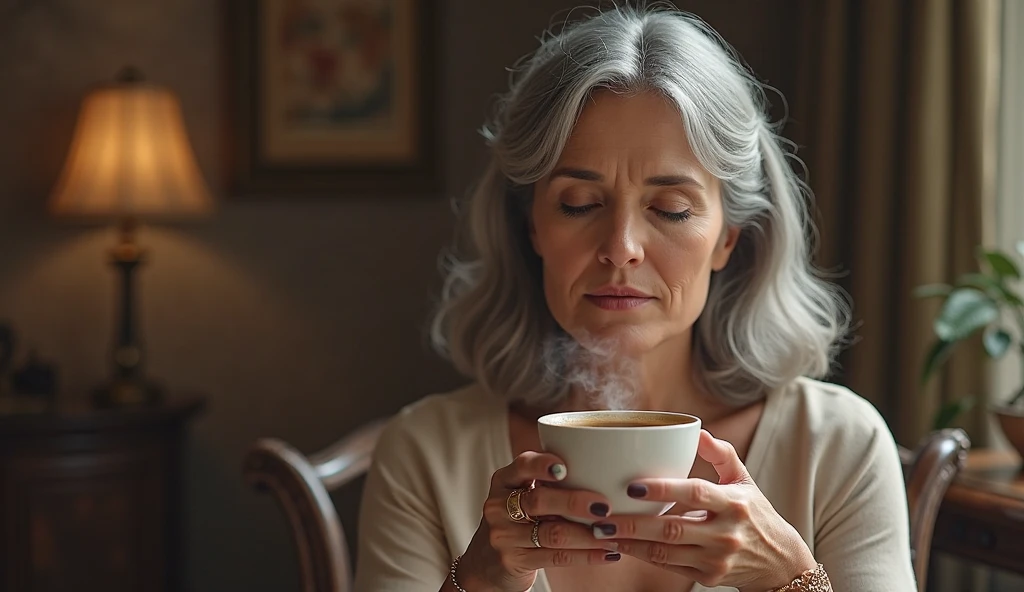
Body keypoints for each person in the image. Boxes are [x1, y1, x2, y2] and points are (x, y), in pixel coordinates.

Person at [354, 5, 916, 592]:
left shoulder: (837, 446)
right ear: (532, 228)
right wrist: (479, 583)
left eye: (670, 209)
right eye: (578, 203)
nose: (620, 247)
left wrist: (790, 579)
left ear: (729, 237)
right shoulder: (424, 453)